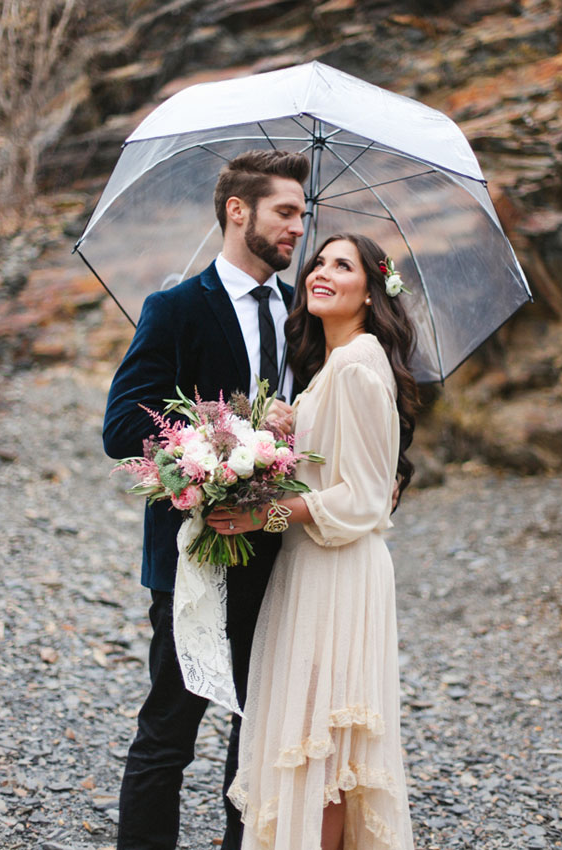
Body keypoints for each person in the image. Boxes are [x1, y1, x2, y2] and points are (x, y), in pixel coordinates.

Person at [102, 148, 310, 850]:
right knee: (169, 733)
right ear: (237, 210)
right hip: (194, 555)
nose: (297, 231)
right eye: (285, 213)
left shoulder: (301, 313)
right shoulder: (176, 308)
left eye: (303, 217)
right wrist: (233, 432)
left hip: (281, 554)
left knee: (258, 738)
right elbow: (123, 426)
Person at [207, 233, 420, 849]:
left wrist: (262, 517)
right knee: (316, 752)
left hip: (336, 570)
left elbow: (363, 498)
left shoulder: (356, 364)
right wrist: (283, 427)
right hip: (317, 568)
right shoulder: (338, 365)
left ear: (371, 291)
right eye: (319, 262)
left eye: (343, 266)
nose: (322, 273)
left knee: (320, 755)